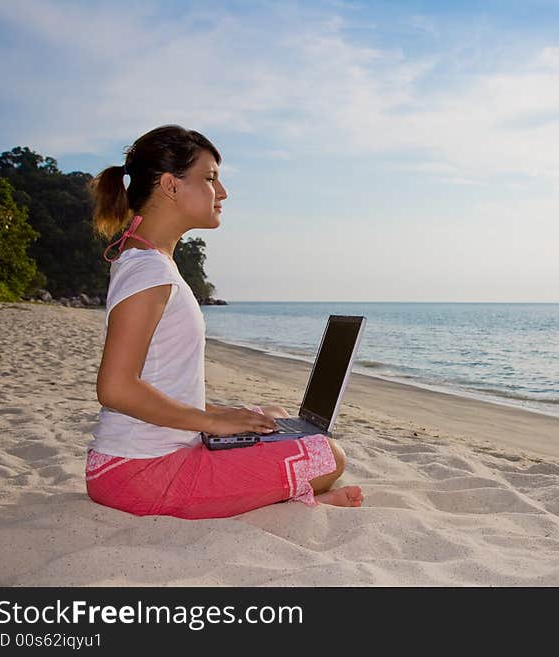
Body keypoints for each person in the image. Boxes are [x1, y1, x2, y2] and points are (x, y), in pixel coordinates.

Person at [86, 124, 363, 519]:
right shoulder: (149, 272)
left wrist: (218, 413)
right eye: (211, 178)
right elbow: (115, 388)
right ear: (171, 185)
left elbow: (157, 379)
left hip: (137, 460)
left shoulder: (148, 260)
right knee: (328, 456)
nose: (223, 192)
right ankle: (293, 498)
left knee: (272, 413)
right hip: (141, 473)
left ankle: (282, 493)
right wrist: (209, 421)